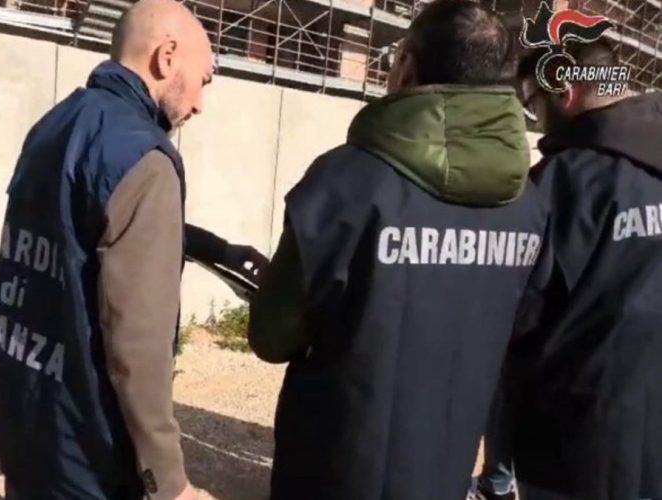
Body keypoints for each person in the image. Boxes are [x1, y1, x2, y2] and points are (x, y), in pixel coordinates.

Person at [246, 1, 552, 498]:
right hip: (442, 471)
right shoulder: (530, 207)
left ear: (406, 66)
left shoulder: (344, 182)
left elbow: (271, 335)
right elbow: (524, 332)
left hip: (333, 471)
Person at [0, 0, 265, 498]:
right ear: (167, 56)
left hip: (24, 415)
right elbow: (138, 348)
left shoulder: (55, 125)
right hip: (88, 449)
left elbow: (80, 228)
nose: (200, 103)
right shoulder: (146, 157)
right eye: (204, 80)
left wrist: (217, 249)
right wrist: (169, 481)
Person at [472, 39, 662, 500]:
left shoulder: (557, 185)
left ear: (567, 92)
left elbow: (512, 330)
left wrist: (498, 467)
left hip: (574, 452)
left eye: (533, 103)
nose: (533, 118)